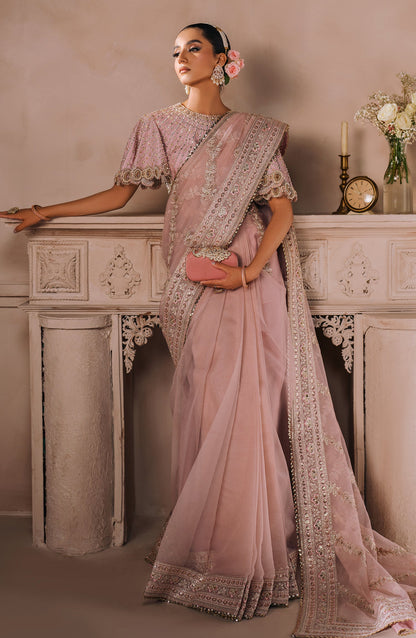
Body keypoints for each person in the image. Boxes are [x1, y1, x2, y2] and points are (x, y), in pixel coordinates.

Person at [1, 21, 416, 638]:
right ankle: (212, 547)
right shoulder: (156, 126)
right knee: (207, 402)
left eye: (193, 48)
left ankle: (248, 559)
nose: (181, 58)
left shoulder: (256, 133)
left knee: (247, 408)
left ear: (224, 60)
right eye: (175, 51)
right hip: (188, 277)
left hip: (244, 276)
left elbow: (280, 211)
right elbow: (120, 195)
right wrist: (47, 210)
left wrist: (248, 271)